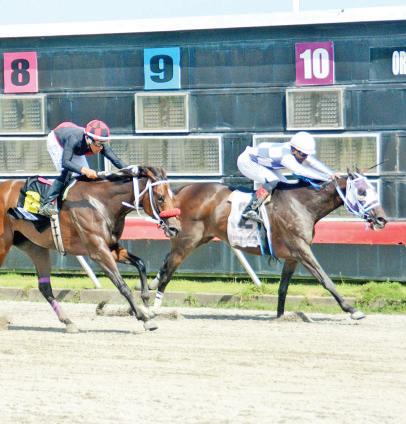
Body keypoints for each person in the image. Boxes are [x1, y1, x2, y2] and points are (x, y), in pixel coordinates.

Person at [237, 131, 340, 223]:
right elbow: (303, 171)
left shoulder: (295, 150)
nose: (305, 158)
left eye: (306, 155)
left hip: (264, 163)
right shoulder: (286, 157)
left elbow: (313, 162)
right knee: (273, 181)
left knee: (285, 186)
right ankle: (249, 209)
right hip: (247, 162)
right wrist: (326, 178)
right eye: (303, 155)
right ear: (294, 150)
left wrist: (330, 173)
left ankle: (276, 210)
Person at [38, 119, 128, 217]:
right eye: (99, 144)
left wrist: (132, 170)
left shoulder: (99, 142)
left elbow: (116, 160)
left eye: (104, 143)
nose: (101, 148)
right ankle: (46, 204)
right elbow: (65, 163)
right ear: (88, 139)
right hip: (57, 141)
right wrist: (84, 170)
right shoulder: (74, 139)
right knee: (67, 172)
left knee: (86, 178)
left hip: (75, 145)